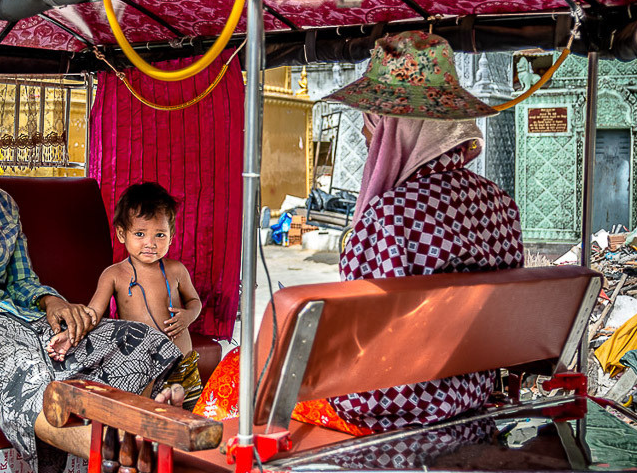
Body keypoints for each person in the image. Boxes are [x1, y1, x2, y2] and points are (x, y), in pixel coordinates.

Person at [195, 30, 523, 435]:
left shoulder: (391, 215)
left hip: (395, 401)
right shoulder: (500, 204)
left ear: (399, 129)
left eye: (372, 123)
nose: (367, 136)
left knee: (239, 369)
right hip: (471, 390)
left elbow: (369, 342)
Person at [0, 62, 183, 473]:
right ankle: (99, 444)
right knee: (12, 355)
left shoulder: (1, 203)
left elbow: (22, 281)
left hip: (13, 316)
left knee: (133, 338)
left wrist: (53, 302)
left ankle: (136, 413)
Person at [47, 182, 204, 410]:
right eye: (140, 234)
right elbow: (93, 314)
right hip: (144, 368)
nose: (150, 243)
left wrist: (188, 316)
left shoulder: (176, 270)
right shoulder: (114, 274)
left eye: (160, 234)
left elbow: (195, 302)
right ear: (122, 234)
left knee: (189, 420)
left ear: (171, 236)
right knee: (150, 421)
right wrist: (70, 336)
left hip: (184, 365)